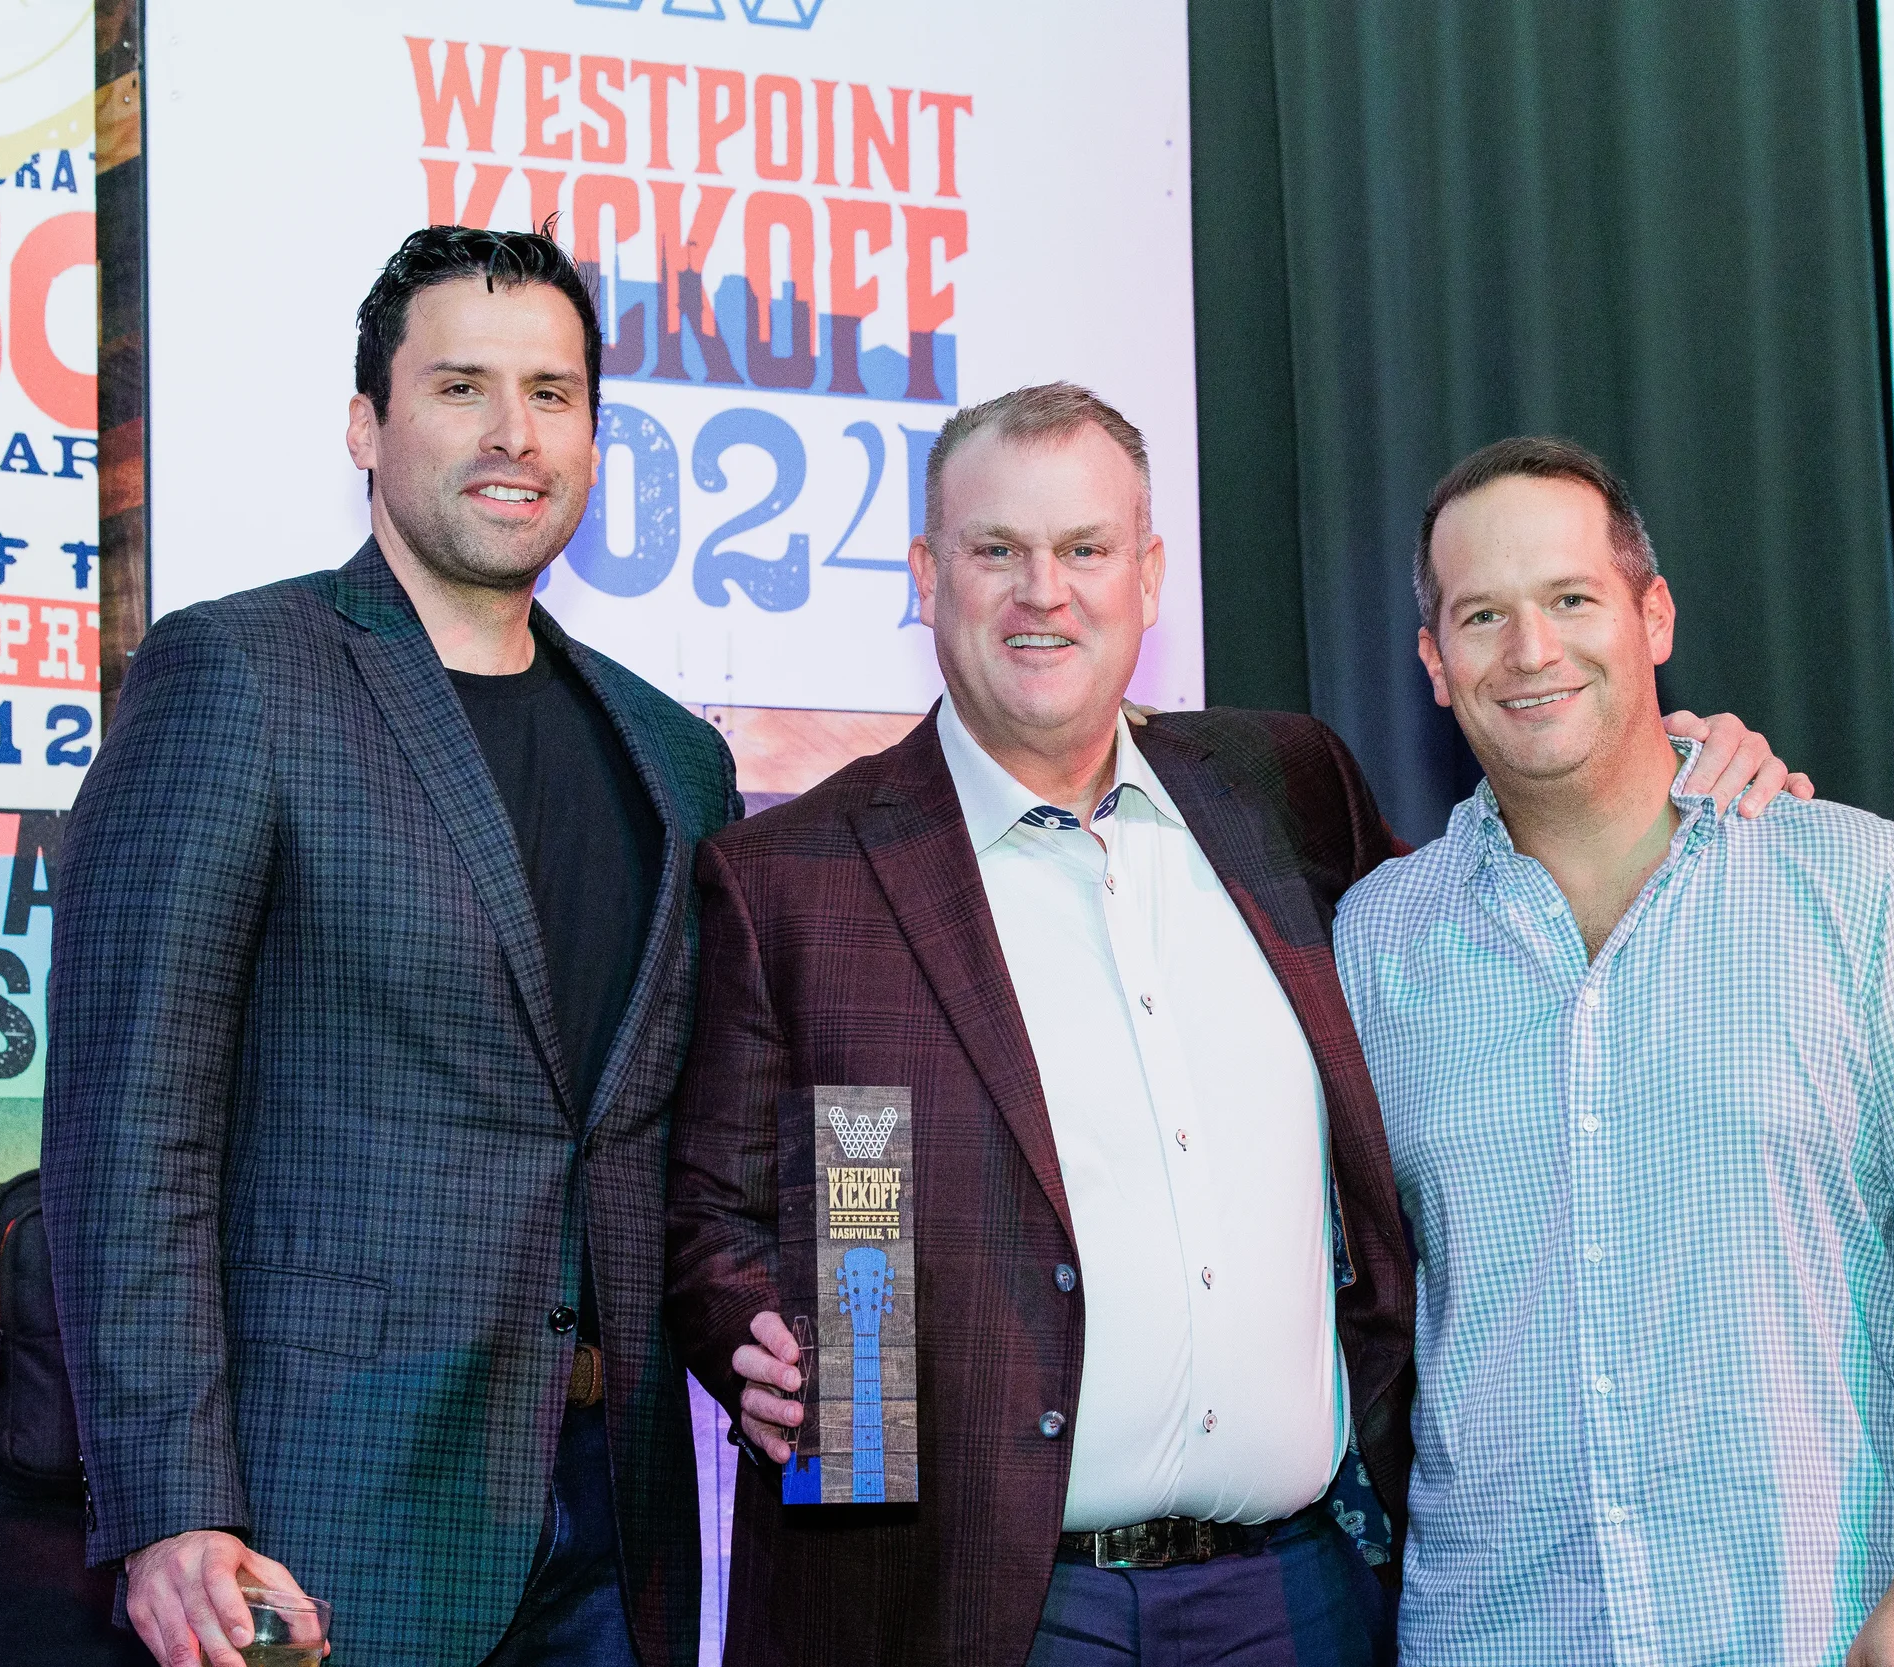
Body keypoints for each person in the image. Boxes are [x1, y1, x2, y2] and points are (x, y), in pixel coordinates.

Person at [661, 386, 1803, 1666]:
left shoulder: (1284, 788)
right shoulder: (794, 876)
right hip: (979, 1605)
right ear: (926, 576)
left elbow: (1498, 912)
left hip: (1300, 1591)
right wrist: (763, 1336)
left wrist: (1667, 760)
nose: (1045, 592)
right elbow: (715, 1207)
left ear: (1148, 579)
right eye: (997, 552)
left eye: (1086, 549)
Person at [43, 227, 741, 1667]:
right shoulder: (238, 674)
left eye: (553, 392)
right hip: (314, 1523)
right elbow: (131, 1128)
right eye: (460, 386)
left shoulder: (676, 758)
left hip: (619, 1528)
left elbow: (676, 1145)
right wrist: (176, 1504)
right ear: (367, 424)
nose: (512, 432)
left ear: (596, 438)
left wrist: (805, 1336)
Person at [1332, 436, 1894, 1665]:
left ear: (1653, 614)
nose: (1531, 651)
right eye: (1482, 615)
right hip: (1498, 1628)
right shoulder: (1376, 943)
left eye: (1571, 598)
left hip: (1811, 1617)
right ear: (1433, 661)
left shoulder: (1857, 884)